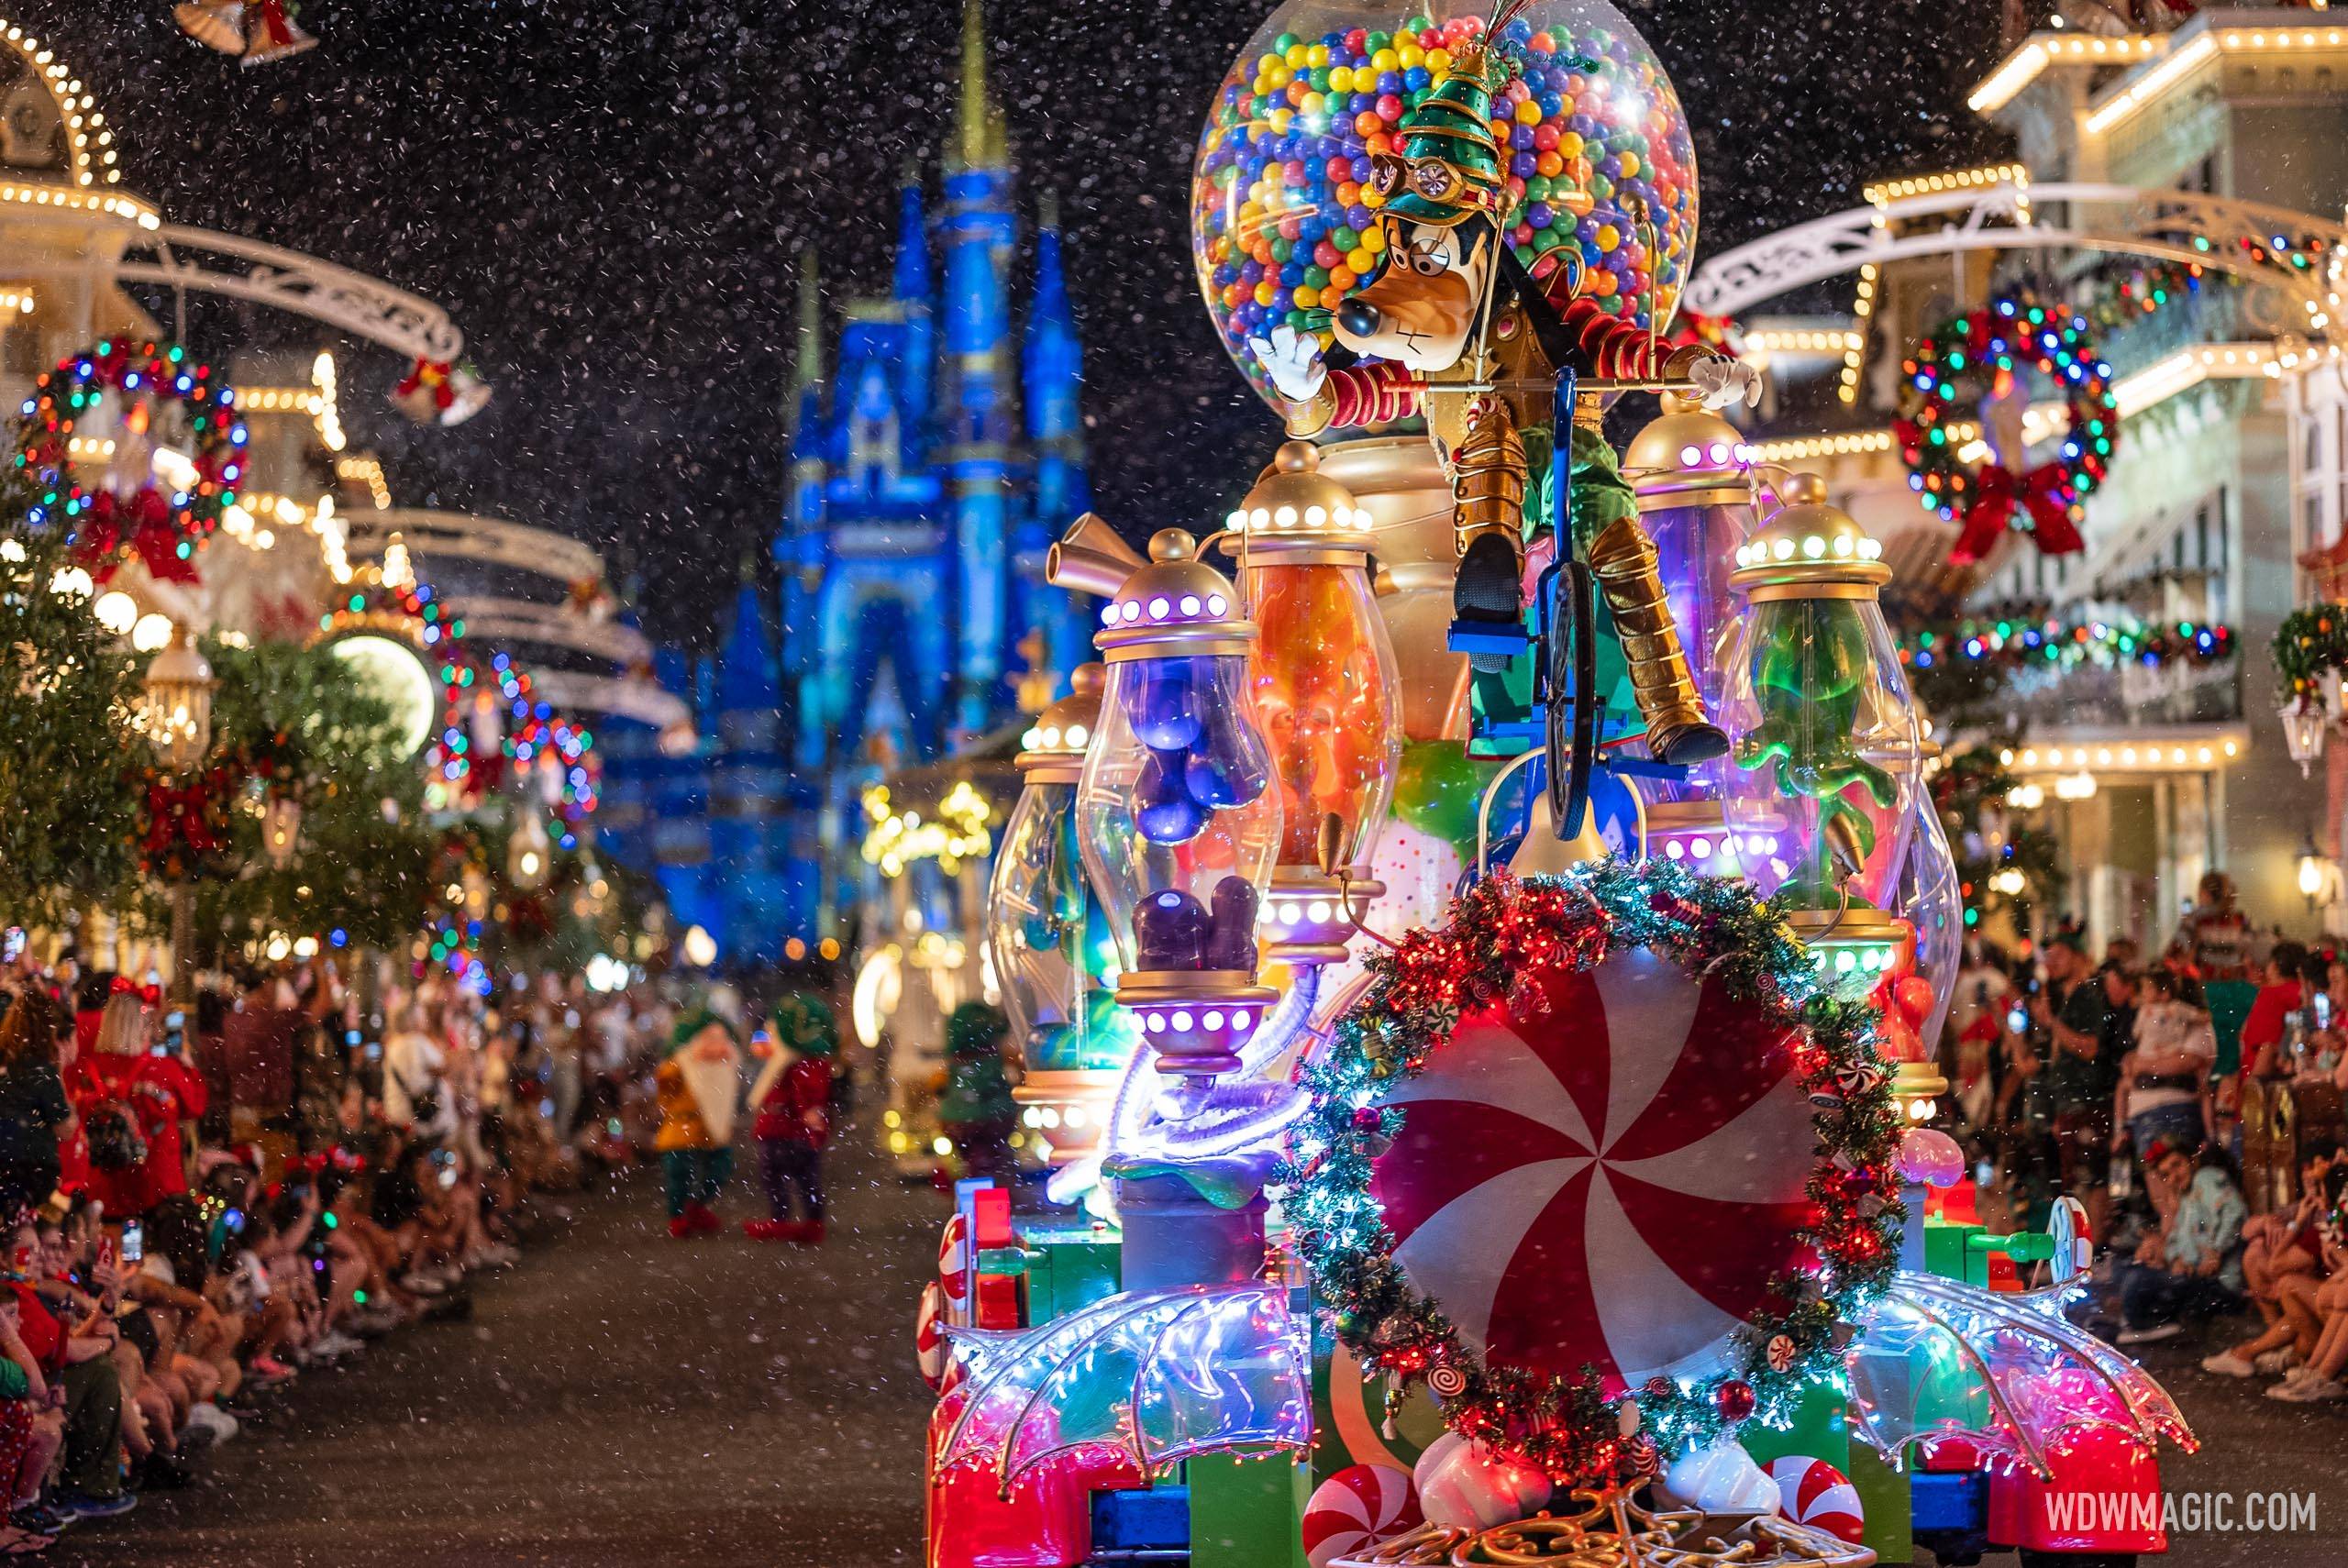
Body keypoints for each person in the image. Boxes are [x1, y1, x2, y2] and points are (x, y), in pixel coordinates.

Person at [70, 990, 206, 1222]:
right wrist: (188, 1064)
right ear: (142, 1027)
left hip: (104, 1188)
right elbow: (195, 1106)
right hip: (155, 1188)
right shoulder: (164, 1070)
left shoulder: (86, 1072)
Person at [2110, 968, 2217, 1222]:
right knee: (2154, 1177)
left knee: (2174, 1176)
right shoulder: (2148, 1019)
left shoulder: (2190, 1024)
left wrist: (2143, 1066)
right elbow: (2130, 1065)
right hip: (2142, 1113)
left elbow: (2187, 1062)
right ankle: (2169, 1233)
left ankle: (2181, 1234)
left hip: (2172, 1109)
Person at [2113, 1144, 2246, 1344]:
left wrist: (2216, 1251)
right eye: (2166, 1175)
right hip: (2195, 1280)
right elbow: (2176, 1239)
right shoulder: (2185, 1199)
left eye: (2177, 1165)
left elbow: (2234, 1211)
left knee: (2137, 1277)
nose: (2174, 1176)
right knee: (2122, 1266)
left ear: (2192, 1161)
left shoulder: (2205, 1178)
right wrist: (2175, 1259)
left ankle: (2143, 1324)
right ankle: (2147, 1321)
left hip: (2220, 1286)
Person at [2031, 934, 2114, 1233]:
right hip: (2069, 1103)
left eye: (2060, 954)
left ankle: (2090, 1255)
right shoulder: (2066, 997)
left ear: (2079, 956)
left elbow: (2089, 1047)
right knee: (2073, 1181)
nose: (2052, 962)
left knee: (2088, 1179)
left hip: (2087, 1102)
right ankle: (2080, 1253)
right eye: (2048, 956)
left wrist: (2053, 1023)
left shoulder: (2089, 994)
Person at [745, 994, 836, 1244]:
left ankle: (797, 1220)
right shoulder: (795, 1061)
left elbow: (808, 1093)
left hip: (788, 1131)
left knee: (793, 1176)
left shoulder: (800, 1063)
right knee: (797, 1177)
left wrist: (807, 1111)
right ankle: (799, 1219)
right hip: (785, 1131)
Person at [653, 1010, 738, 1239]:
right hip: (681, 1130)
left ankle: (696, 1208)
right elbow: (664, 1090)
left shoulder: (724, 1067)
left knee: (720, 1170)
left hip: (714, 1130)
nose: (716, 1046)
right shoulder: (678, 1065)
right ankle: (679, 1215)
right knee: (679, 1175)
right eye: (709, 1038)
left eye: (721, 1039)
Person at [0, 996, 68, 1224]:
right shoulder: (42, 1072)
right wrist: (63, 1072)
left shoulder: (5, 1065)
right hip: (36, 1177)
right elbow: (65, 1128)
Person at [936, 1003, 1016, 1181]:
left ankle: (965, 1183)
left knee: (965, 1162)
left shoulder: (955, 1060)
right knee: (1000, 1160)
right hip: (997, 1117)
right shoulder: (996, 1057)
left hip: (958, 1120)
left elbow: (939, 1083)